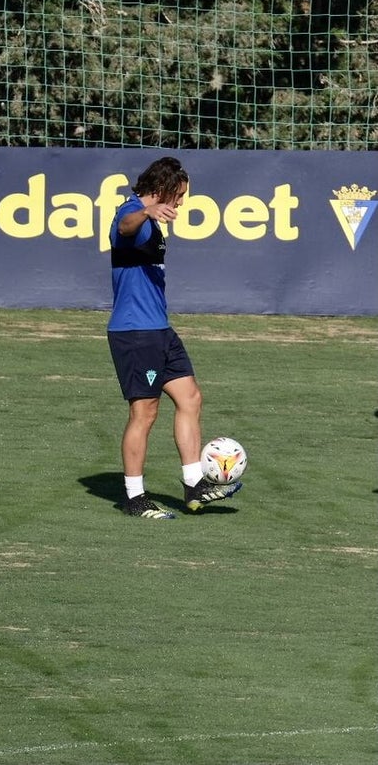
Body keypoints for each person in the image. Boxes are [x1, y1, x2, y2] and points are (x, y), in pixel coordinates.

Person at [106, 156, 242, 520]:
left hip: (159, 329)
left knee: (191, 397)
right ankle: (135, 498)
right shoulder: (131, 211)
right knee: (144, 412)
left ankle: (194, 484)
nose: (181, 201)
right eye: (178, 194)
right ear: (162, 189)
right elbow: (125, 228)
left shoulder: (151, 218)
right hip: (135, 332)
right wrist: (149, 213)